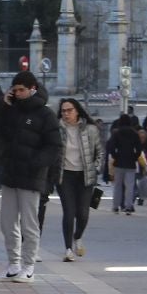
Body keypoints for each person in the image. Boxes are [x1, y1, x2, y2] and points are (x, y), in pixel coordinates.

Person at [0, 71, 61, 279]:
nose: (18, 93)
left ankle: (28, 266)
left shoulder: (45, 114)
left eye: (21, 89)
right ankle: (13, 264)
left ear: (32, 89)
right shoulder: (10, 110)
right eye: (15, 90)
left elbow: (54, 145)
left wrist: (37, 163)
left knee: (29, 223)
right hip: (11, 173)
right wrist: (2, 105)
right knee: (7, 221)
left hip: (32, 176)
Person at [56, 98, 105, 261]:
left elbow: (100, 153)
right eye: (63, 111)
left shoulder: (90, 130)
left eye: (69, 110)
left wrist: (95, 168)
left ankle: (78, 237)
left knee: (83, 213)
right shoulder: (57, 129)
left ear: (77, 111)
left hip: (84, 176)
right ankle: (68, 249)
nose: (66, 114)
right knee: (69, 213)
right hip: (65, 176)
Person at [107, 114, 144, 214]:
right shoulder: (134, 133)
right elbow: (139, 149)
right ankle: (128, 206)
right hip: (131, 162)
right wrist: (134, 157)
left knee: (118, 185)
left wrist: (116, 156)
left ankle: (115, 206)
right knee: (129, 186)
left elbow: (111, 147)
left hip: (119, 162)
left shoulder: (117, 133)